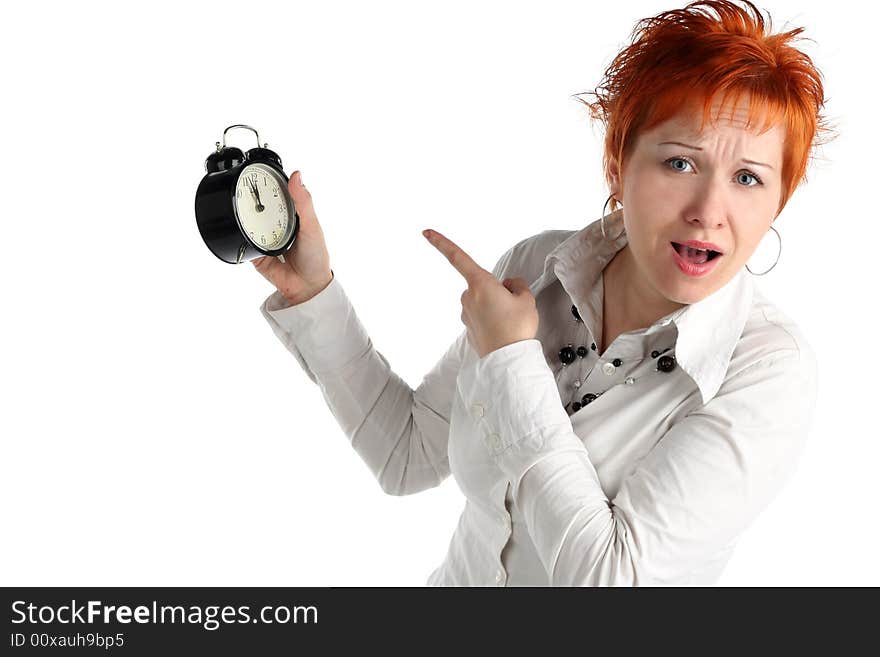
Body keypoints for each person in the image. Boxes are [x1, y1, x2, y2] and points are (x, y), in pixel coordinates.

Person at [251, 0, 834, 586]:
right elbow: (406, 455)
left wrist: (511, 361)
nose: (709, 211)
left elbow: (609, 580)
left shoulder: (768, 370)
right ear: (619, 163)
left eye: (748, 178)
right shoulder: (538, 269)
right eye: (680, 162)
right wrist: (312, 291)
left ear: (777, 203)